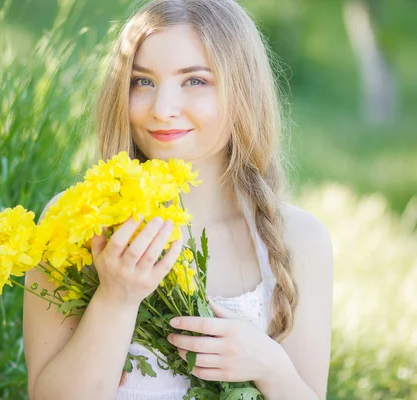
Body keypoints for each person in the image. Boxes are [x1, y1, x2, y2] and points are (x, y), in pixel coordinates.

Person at [23, 0, 333, 399]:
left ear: (243, 92)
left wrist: (270, 367)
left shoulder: (299, 238)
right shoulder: (75, 221)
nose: (162, 110)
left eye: (195, 81)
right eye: (142, 82)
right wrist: (116, 299)